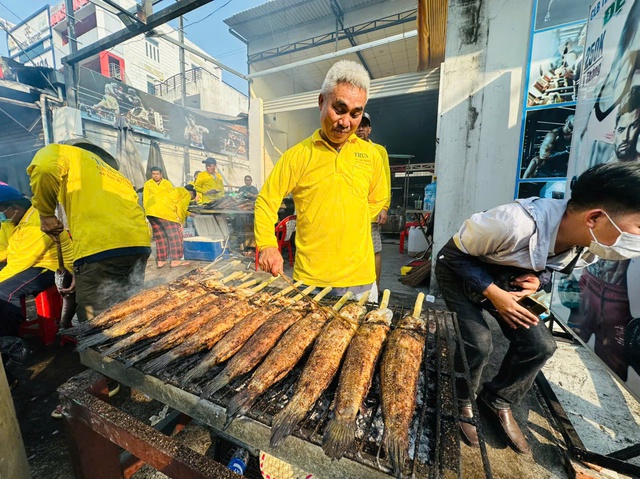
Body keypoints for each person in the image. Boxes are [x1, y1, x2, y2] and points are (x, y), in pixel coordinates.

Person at [435, 162, 640, 454]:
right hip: (459, 271)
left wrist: (537, 281)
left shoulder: (591, 244)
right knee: (478, 344)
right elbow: (451, 256)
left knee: (540, 346)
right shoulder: (512, 222)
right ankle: (459, 399)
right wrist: (495, 295)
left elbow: (552, 269)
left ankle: (498, 399)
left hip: (507, 283)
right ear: (595, 217)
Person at [255, 60, 388, 299]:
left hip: (360, 279)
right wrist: (266, 244)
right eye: (339, 108)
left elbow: (378, 199)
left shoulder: (371, 156)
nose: (346, 122)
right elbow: (266, 201)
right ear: (321, 101)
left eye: (355, 114)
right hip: (310, 280)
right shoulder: (297, 156)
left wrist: (346, 220)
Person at [27, 138, 151, 323]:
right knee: (130, 303)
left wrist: (46, 215)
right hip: (138, 246)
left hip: (101, 245)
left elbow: (44, 167)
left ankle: (102, 351)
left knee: (97, 318)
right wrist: (82, 269)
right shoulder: (117, 176)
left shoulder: (67, 153)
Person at [0, 186, 72, 336]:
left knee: (5, 292)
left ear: (14, 208)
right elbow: (3, 248)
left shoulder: (37, 222)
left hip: (51, 266)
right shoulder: (10, 221)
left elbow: (21, 263)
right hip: (28, 263)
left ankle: (9, 341)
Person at [356, 112, 391, 291]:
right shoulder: (345, 149)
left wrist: (384, 207)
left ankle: (375, 289)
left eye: (364, 125)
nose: (360, 129)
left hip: (371, 211)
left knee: (374, 250)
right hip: (351, 213)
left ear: (369, 129)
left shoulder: (378, 151)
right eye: (358, 125)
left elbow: (385, 180)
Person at [146, 186, 194, 269]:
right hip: (165, 212)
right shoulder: (186, 194)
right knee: (175, 236)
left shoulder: (172, 190)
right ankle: (175, 260)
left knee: (161, 237)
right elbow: (181, 208)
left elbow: (174, 205)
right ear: (192, 194)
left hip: (150, 211)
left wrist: (189, 214)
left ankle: (161, 260)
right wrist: (181, 223)